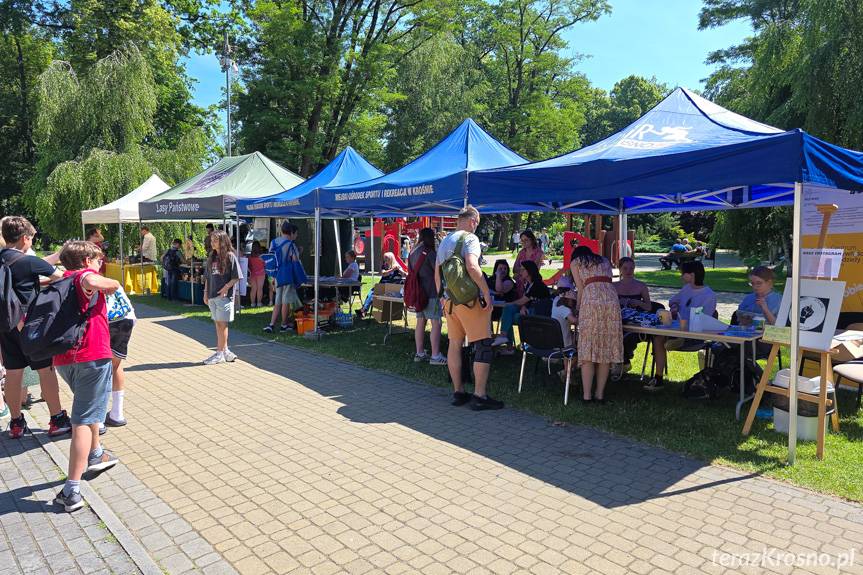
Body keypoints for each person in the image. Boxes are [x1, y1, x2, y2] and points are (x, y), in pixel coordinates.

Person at [53, 241, 122, 512]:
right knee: (81, 420)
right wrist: (111, 282)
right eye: (97, 259)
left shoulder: (59, 279)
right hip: (91, 356)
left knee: (88, 407)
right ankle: (72, 490)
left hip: (64, 358)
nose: (100, 263)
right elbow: (97, 281)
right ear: (85, 261)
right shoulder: (83, 277)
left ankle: (96, 453)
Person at [1, 217, 71, 439]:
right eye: (31, 238)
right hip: (31, 327)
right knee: (45, 370)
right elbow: (63, 277)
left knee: (13, 373)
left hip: (6, 325)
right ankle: (57, 419)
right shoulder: (28, 261)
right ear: (25, 238)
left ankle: (16, 423)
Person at [435, 205, 503, 411]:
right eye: (477, 223)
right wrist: (486, 292)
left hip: (450, 301)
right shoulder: (470, 239)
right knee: (483, 344)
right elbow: (472, 266)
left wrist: (441, 297)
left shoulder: (445, 240)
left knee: (454, 344)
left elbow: (437, 273)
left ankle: (458, 392)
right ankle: (480, 396)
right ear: (473, 221)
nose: (476, 227)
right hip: (469, 301)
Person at [645, 261, 717, 391]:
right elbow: (672, 301)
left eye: (683, 273)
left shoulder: (709, 295)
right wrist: (675, 307)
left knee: (663, 338)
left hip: (695, 335)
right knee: (657, 337)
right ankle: (658, 378)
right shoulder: (686, 288)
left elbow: (704, 320)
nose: (681, 276)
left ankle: (678, 340)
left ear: (692, 275)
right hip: (677, 330)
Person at [571, 245, 623, 404]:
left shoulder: (576, 262)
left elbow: (581, 289)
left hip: (591, 302)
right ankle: (599, 395)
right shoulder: (605, 261)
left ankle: (587, 396)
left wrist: (577, 308)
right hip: (611, 302)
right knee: (605, 351)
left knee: (588, 349)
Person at [491, 260, 550, 353]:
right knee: (509, 311)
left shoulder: (537, 285)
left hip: (539, 314)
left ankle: (507, 343)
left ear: (529, 272)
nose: (520, 272)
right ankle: (504, 338)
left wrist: (506, 304)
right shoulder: (529, 284)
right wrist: (523, 307)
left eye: (522, 270)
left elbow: (522, 301)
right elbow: (525, 301)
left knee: (511, 315)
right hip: (530, 310)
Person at [203, 231, 241, 364]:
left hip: (224, 297)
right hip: (212, 295)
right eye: (212, 240)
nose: (212, 243)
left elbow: (236, 277)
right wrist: (205, 292)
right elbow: (207, 277)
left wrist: (226, 288)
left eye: (215, 240)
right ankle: (225, 351)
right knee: (218, 324)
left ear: (223, 241)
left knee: (222, 324)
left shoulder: (230, 256)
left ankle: (219, 353)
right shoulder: (211, 257)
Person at [409, 228, 446, 366]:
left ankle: (419, 353)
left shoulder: (412, 252)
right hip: (431, 292)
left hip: (418, 293)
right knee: (436, 322)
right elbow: (438, 273)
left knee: (420, 322)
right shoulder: (429, 253)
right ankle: (435, 356)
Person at [105, 284, 136, 427]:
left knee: (98, 368)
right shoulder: (111, 281)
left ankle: (98, 418)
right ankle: (117, 414)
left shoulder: (84, 278)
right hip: (126, 318)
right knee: (115, 365)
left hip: (107, 321)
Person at [264, 222, 303, 334]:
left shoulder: (273, 242)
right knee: (286, 301)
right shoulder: (291, 245)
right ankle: (284, 325)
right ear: (291, 232)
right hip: (287, 274)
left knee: (278, 300)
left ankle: (271, 324)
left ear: (281, 231)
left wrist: (271, 278)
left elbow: (271, 259)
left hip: (276, 274)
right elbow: (295, 260)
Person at [357, 252, 406, 318]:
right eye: (384, 258)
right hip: (382, 285)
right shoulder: (384, 266)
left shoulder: (397, 266)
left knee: (372, 292)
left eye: (386, 258)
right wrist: (393, 269)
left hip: (389, 288)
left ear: (391, 258)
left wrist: (401, 271)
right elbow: (384, 274)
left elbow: (404, 275)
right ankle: (364, 310)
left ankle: (364, 310)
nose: (385, 260)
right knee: (371, 293)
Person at [513, 230, 544, 295]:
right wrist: (523, 272)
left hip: (532, 284)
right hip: (520, 284)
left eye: (526, 240)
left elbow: (533, 271)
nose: (523, 242)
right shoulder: (521, 252)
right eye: (522, 240)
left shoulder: (539, 253)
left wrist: (519, 272)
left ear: (532, 240)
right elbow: (514, 269)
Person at [246, 242, 266, 308]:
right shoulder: (262, 256)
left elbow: (248, 266)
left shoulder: (250, 256)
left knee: (253, 289)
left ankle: (252, 303)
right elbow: (265, 265)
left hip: (253, 274)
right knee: (260, 288)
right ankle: (259, 303)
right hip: (261, 273)